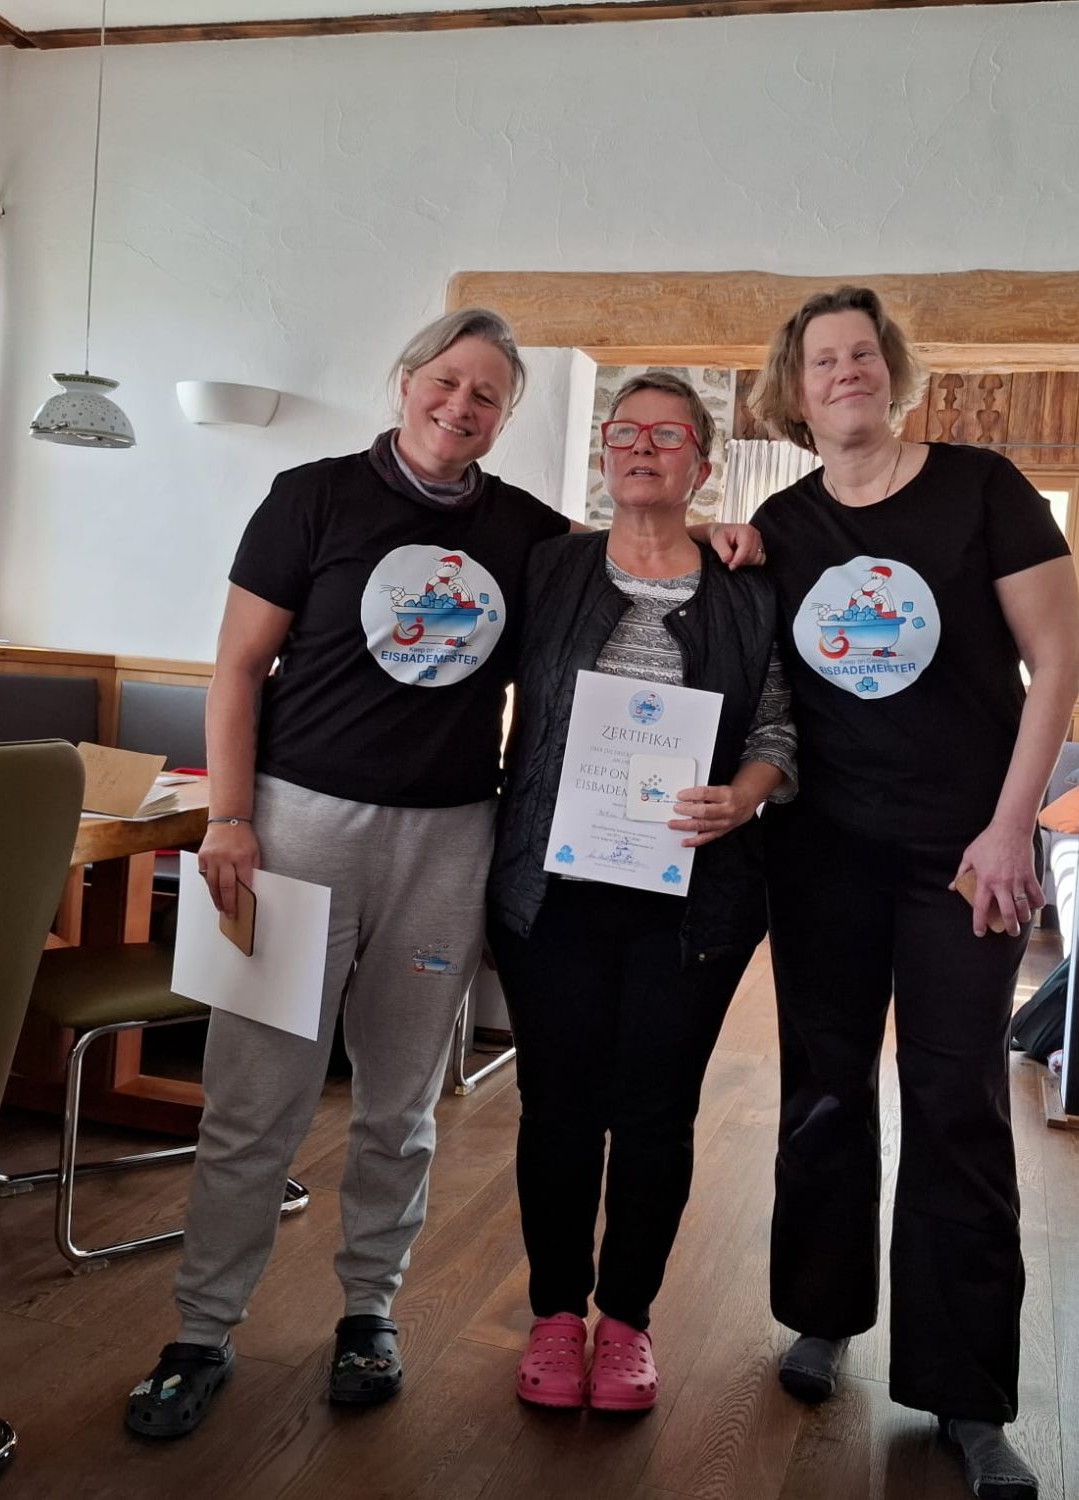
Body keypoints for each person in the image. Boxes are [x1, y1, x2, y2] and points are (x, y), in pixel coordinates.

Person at [123, 311, 761, 1440]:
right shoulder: (309, 497)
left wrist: (717, 532)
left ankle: (369, 1314)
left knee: (402, 1101)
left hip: (453, 839)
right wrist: (228, 816)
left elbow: (630, 546)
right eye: (445, 382)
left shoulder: (523, 533)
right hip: (294, 829)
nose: (459, 406)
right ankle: (201, 1331)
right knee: (254, 1097)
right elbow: (236, 667)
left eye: (486, 396)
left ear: (504, 419)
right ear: (407, 380)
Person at [748, 286, 1079, 1500]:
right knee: (823, 1087)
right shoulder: (779, 522)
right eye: (820, 360)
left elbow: (1056, 660)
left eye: (861, 354)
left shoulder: (981, 488)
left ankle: (967, 1395)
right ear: (793, 393)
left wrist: (1010, 827)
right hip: (820, 850)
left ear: (891, 372)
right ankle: (820, 1313)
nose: (843, 371)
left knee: (955, 1103)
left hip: (962, 853)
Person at [488, 372, 795, 1412]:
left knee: (658, 1112)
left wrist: (744, 796)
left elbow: (779, 721)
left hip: (695, 897)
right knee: (557, 1105)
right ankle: (552, 1314)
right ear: (603, 453)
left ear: (702, 464)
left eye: (668, 435)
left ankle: (625, 1323)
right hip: (553, 889)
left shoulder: (749, 585)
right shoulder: (548, 567)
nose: (642, 447)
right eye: (625, 432)